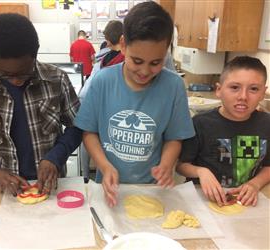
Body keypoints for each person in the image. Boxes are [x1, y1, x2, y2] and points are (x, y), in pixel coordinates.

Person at [74, 2, 194, 207]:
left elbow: (174, 137)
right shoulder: (102, 81)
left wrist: (166, 165)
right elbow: (89, 132)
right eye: (137, 61)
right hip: (110, 188)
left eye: (155, 63)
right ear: (123, 44)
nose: (145, 71)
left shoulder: (173, 86)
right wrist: (104, 166)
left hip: (153, 191)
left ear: (166, 52)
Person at [0, 13, 82, 196]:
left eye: (24, 73)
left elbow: (78, 126)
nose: (17, 81)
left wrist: (55, 157)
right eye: (5, 74)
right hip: (4, 187)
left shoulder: (56, 80)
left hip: (51, 184)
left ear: (35, 54)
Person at [177, 56, 270, 207]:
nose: (243, 96)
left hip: (245, 203)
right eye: (234, 87)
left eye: (253, 89)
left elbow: (268, 166)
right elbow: (181, 166)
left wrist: (255, 184)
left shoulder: (266, 124)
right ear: (219, 90)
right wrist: (201, 172)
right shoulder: (201, 123)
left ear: (262, 93)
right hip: (202, 201)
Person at [79, 20, 124, 182]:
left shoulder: (102, 60)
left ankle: (85, 175)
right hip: (112, 111)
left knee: (100, 145)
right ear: (123, 40)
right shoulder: (118, 61)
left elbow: (84, 93)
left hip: (100, 110)